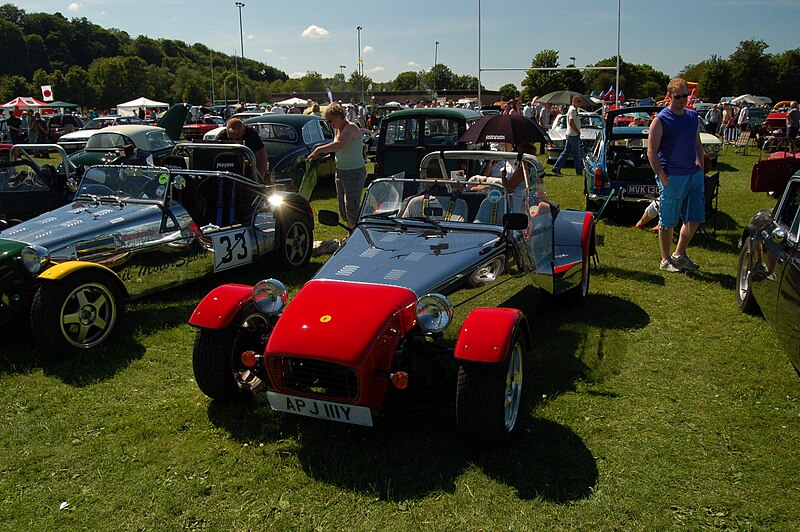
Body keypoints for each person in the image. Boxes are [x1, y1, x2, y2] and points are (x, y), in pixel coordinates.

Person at [647, 78, 705, 273]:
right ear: (669, 97)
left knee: (695, 217)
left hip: (693, 175)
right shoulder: (661, 119)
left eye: (684, 95)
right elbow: (651, 152)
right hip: (672, 175)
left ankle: (679, 254)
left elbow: (697, 143)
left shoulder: (692, 116)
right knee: (667, 221)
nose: (682, 99)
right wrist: (662, 176)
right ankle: (665, 260)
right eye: (677, 96)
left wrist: (701, 167)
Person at [308, 102, 366, 228]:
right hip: (341, 171)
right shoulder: (337, 129)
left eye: (331, 120)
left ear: (340, 116)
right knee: (343, 208)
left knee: (351, 206)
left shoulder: (351, 127)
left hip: (354, 172)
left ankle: (357, 235)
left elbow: (341, 144)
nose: (330, 123)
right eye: (327, 121)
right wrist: (326, 155)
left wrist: (319, 149)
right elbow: (338, 149)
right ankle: (350, 231)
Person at [217, 117, 269, 182]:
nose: (234, 142)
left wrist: (260, 176)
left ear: (243, 131)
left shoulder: (250, 133)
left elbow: (262, 153)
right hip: (227, 168)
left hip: (247, 166)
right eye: (231, 139)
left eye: (237, 139)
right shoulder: (222, 136)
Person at [552, 95, 584, 176]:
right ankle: (579, 171)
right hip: (573, 135)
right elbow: (571, 122)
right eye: (578, 101)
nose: (580, 103)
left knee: (566, 152)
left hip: (570, 134)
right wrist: (577, 132)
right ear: (574, 101)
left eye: (580, 101)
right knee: (577, 154)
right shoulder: (572, 110)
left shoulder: (573, 110)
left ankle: (556, 168)